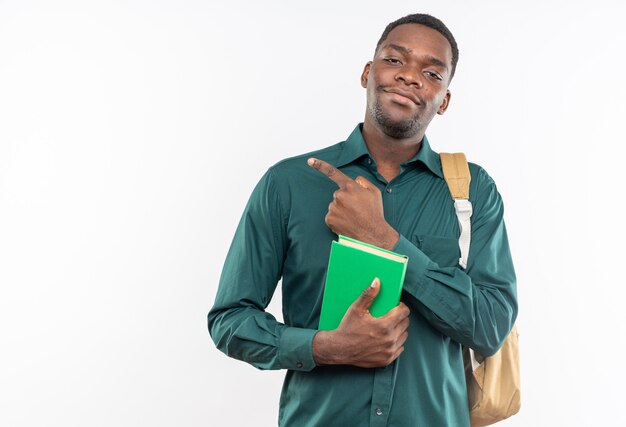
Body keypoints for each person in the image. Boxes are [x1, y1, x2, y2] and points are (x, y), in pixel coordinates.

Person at [208, 13, 517, 427]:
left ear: (443, 99)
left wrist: (383, 238)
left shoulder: (473, 192)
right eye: (395, 60)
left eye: (430, 71)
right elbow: (230, 320)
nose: (409, 77)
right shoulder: (287, 183)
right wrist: (324, 347)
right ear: (367, 73)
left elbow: (491, 327)